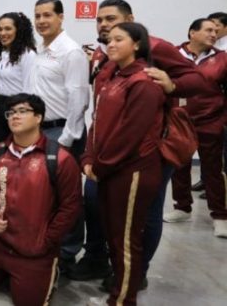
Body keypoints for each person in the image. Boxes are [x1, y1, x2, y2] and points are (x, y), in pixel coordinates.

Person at [76, 0, 206, 286]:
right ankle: (97, 259)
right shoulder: (103, 53)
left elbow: (197, 80)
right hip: (109, 148)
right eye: (100, 20)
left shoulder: (156, 47)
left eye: (111, 19)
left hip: (150, 149)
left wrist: (173, 85)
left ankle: (137, 272)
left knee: (145, 212)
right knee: (95, 201)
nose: (104, 25)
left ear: (131, 21)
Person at [0, 94, 81, 305]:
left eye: (22, 111)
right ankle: (10, 271)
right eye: (11, 112)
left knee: (27, 302)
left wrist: (46, 241)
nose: (15, 116)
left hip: (34, 247)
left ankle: (47, 271)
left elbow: (70, 208)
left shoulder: (59, 159)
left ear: (38, 118)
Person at [82, 22, 165, 305]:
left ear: (137, 44)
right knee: (114, 237)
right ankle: (118, 292)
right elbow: (97, 121)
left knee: (125, 240)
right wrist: (88, 157)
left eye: (119, 39)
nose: (111, 44)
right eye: (109, 40)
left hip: (132, 171)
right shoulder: (114, 76)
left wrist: (100, 166)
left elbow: (130, 134)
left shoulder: (143, 82)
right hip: (110, 169)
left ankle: (122, 300)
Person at [31, 0, 90, 273]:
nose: (42, 21)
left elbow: (79, 98)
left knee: (67, 196)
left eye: (47, 15)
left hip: (62, 130)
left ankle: (67, 252)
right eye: (38, 16)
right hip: (40, 130)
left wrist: (66, 139)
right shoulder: (41, 50)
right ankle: (49, 245)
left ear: (61, 17)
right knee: (45, 193)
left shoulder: (71, 52)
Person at [165, 18, 227, 237]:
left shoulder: (222, 59)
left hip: (211, 121)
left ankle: (220, 216)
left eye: (215, 31)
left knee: (213, 169)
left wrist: (222, 119)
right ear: (192, 32)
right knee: (179, 165)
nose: (213, 34)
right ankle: (182, 207)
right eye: (208, 30)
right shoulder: (173, 55)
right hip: (179, 120)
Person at [0, 12, 37, 144]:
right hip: (0, 107)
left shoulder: (28, 55)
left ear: (18, 30)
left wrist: (22, 113)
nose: (3, 33)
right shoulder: (2, 54)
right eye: (0, 29)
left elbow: (30, 89)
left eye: (8, 29)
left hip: (18, 108)